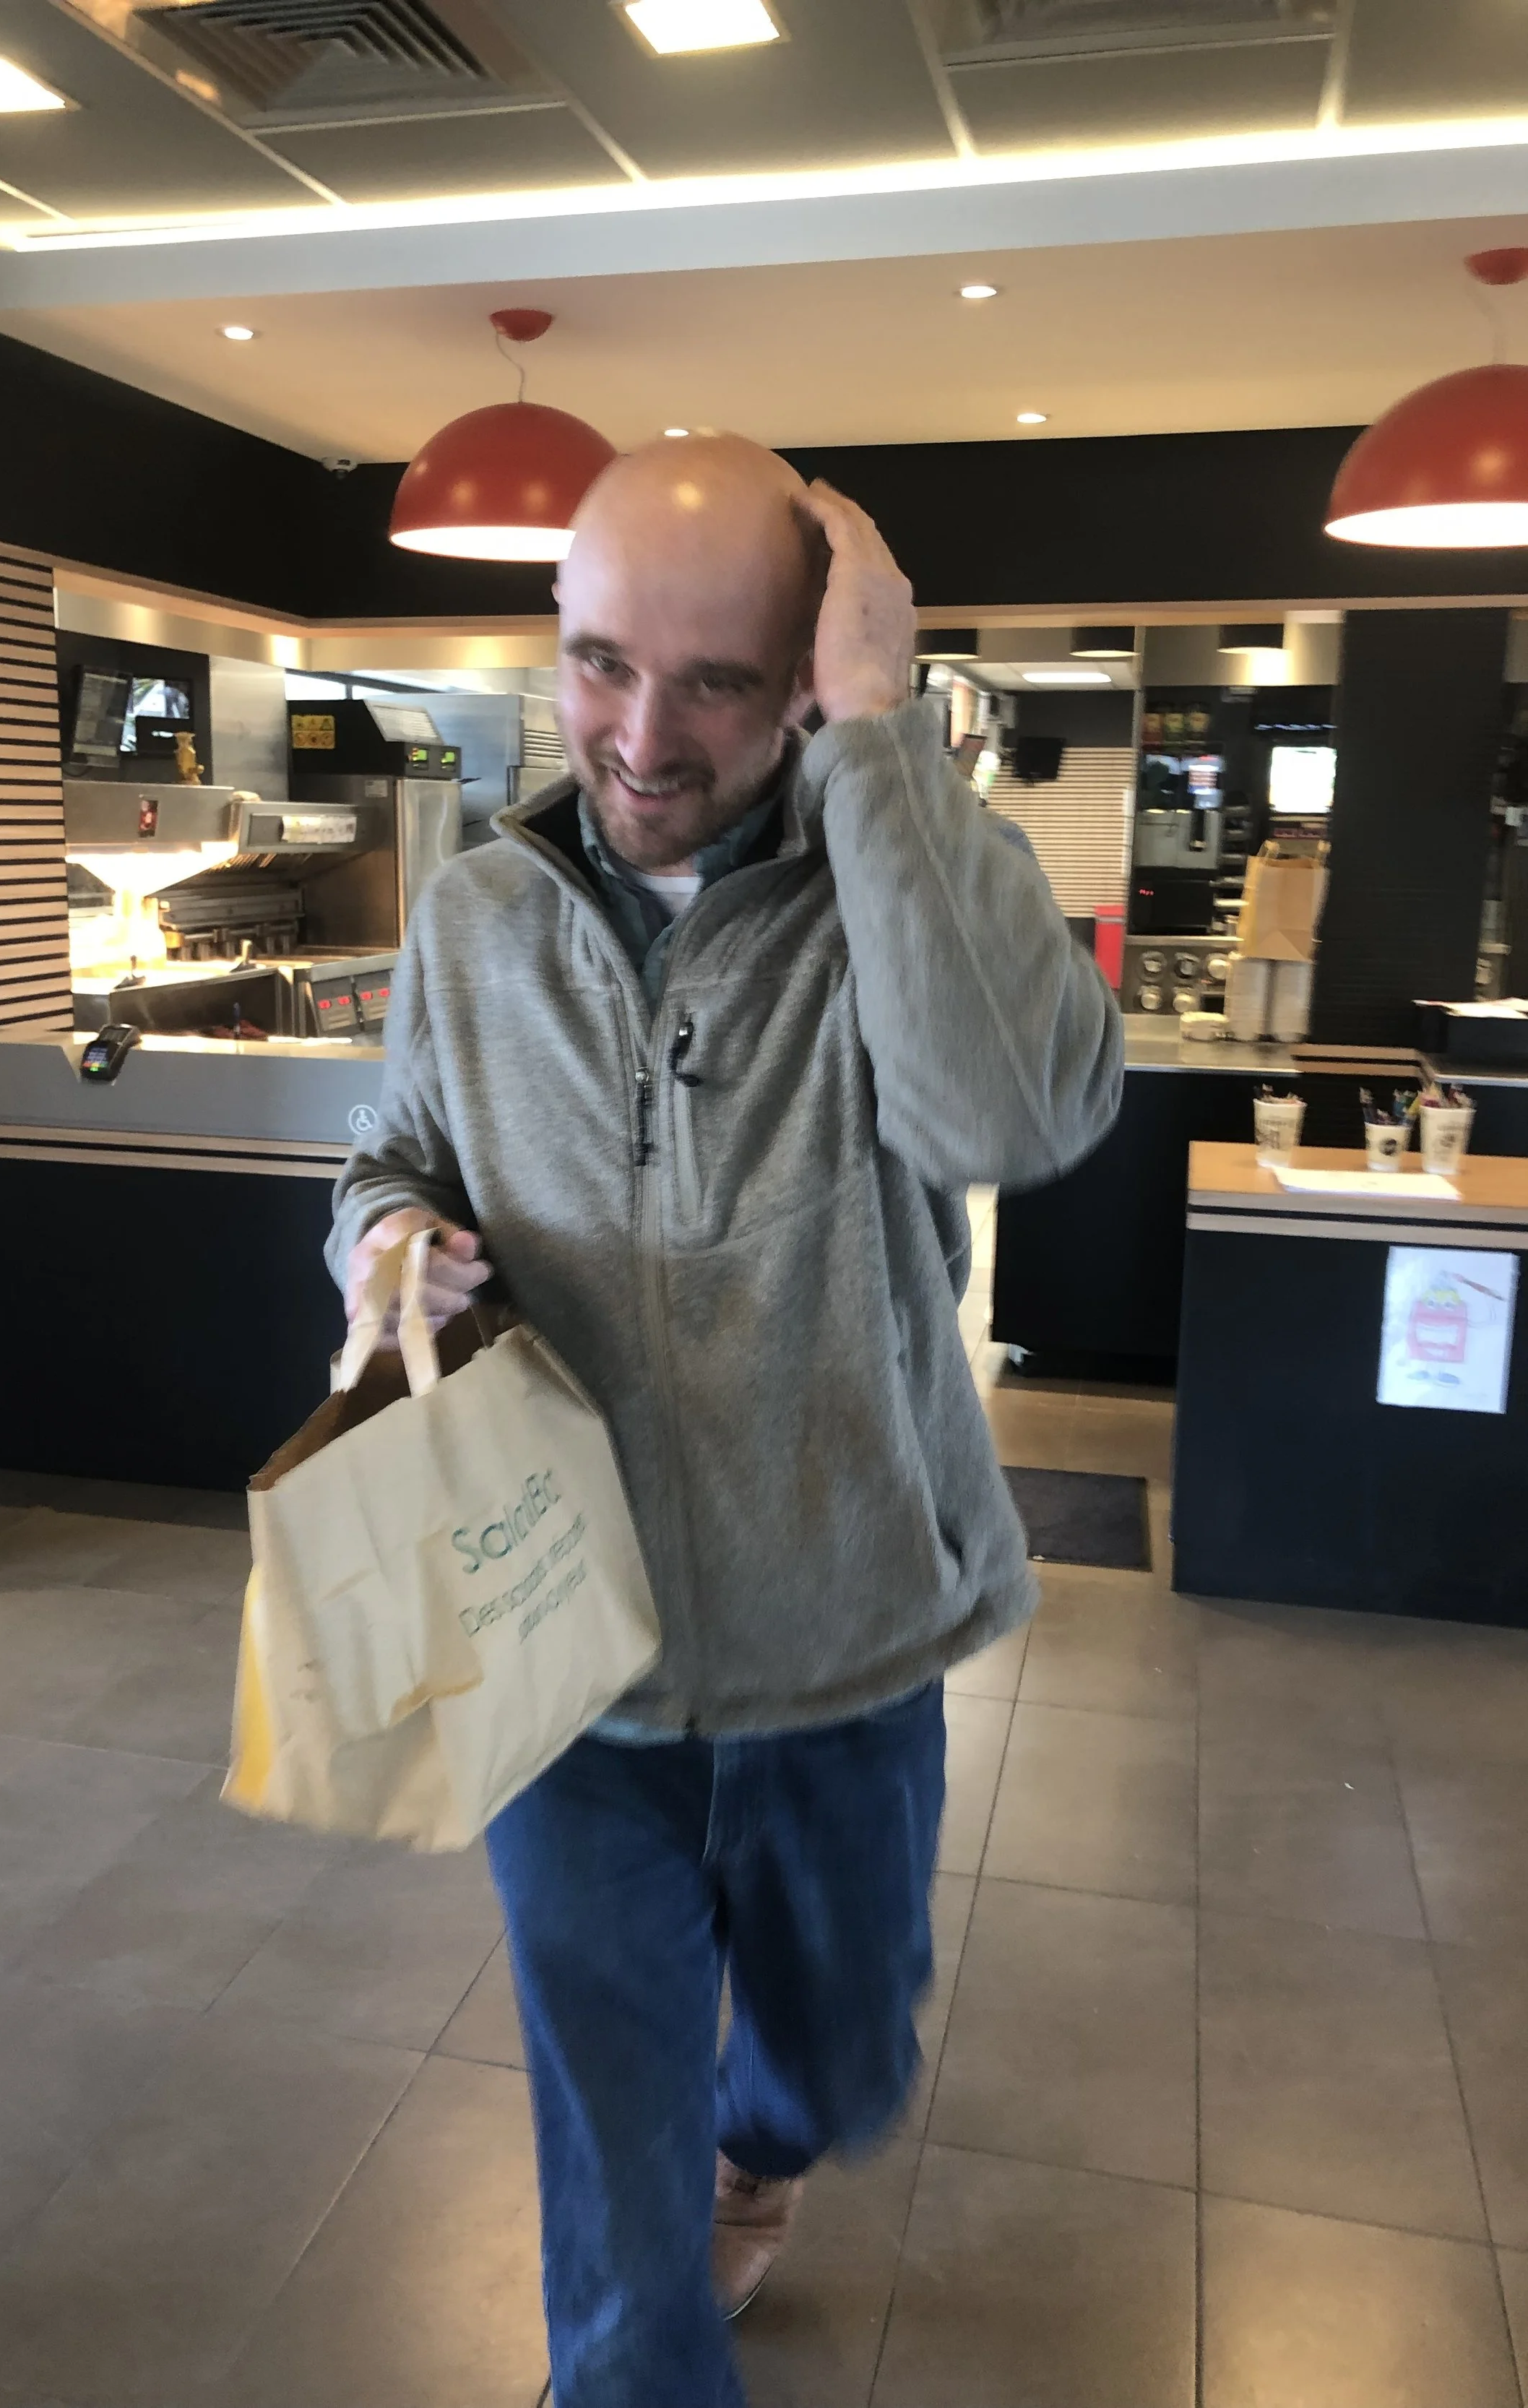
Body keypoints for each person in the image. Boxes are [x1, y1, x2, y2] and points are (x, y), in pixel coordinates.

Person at [326, 435, 1123, 2407]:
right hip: (561, 1651)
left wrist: (883, 742)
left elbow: (1014, 1119)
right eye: (601, 662)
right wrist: (388, 1237)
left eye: (715, 681)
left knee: (840, 2058)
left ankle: (764, 2135)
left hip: (840, 1639)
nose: (639, 734)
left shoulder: (897, 883)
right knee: (611, 2145)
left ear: (806, 682)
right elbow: (390, 1150)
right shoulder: (481, 913)